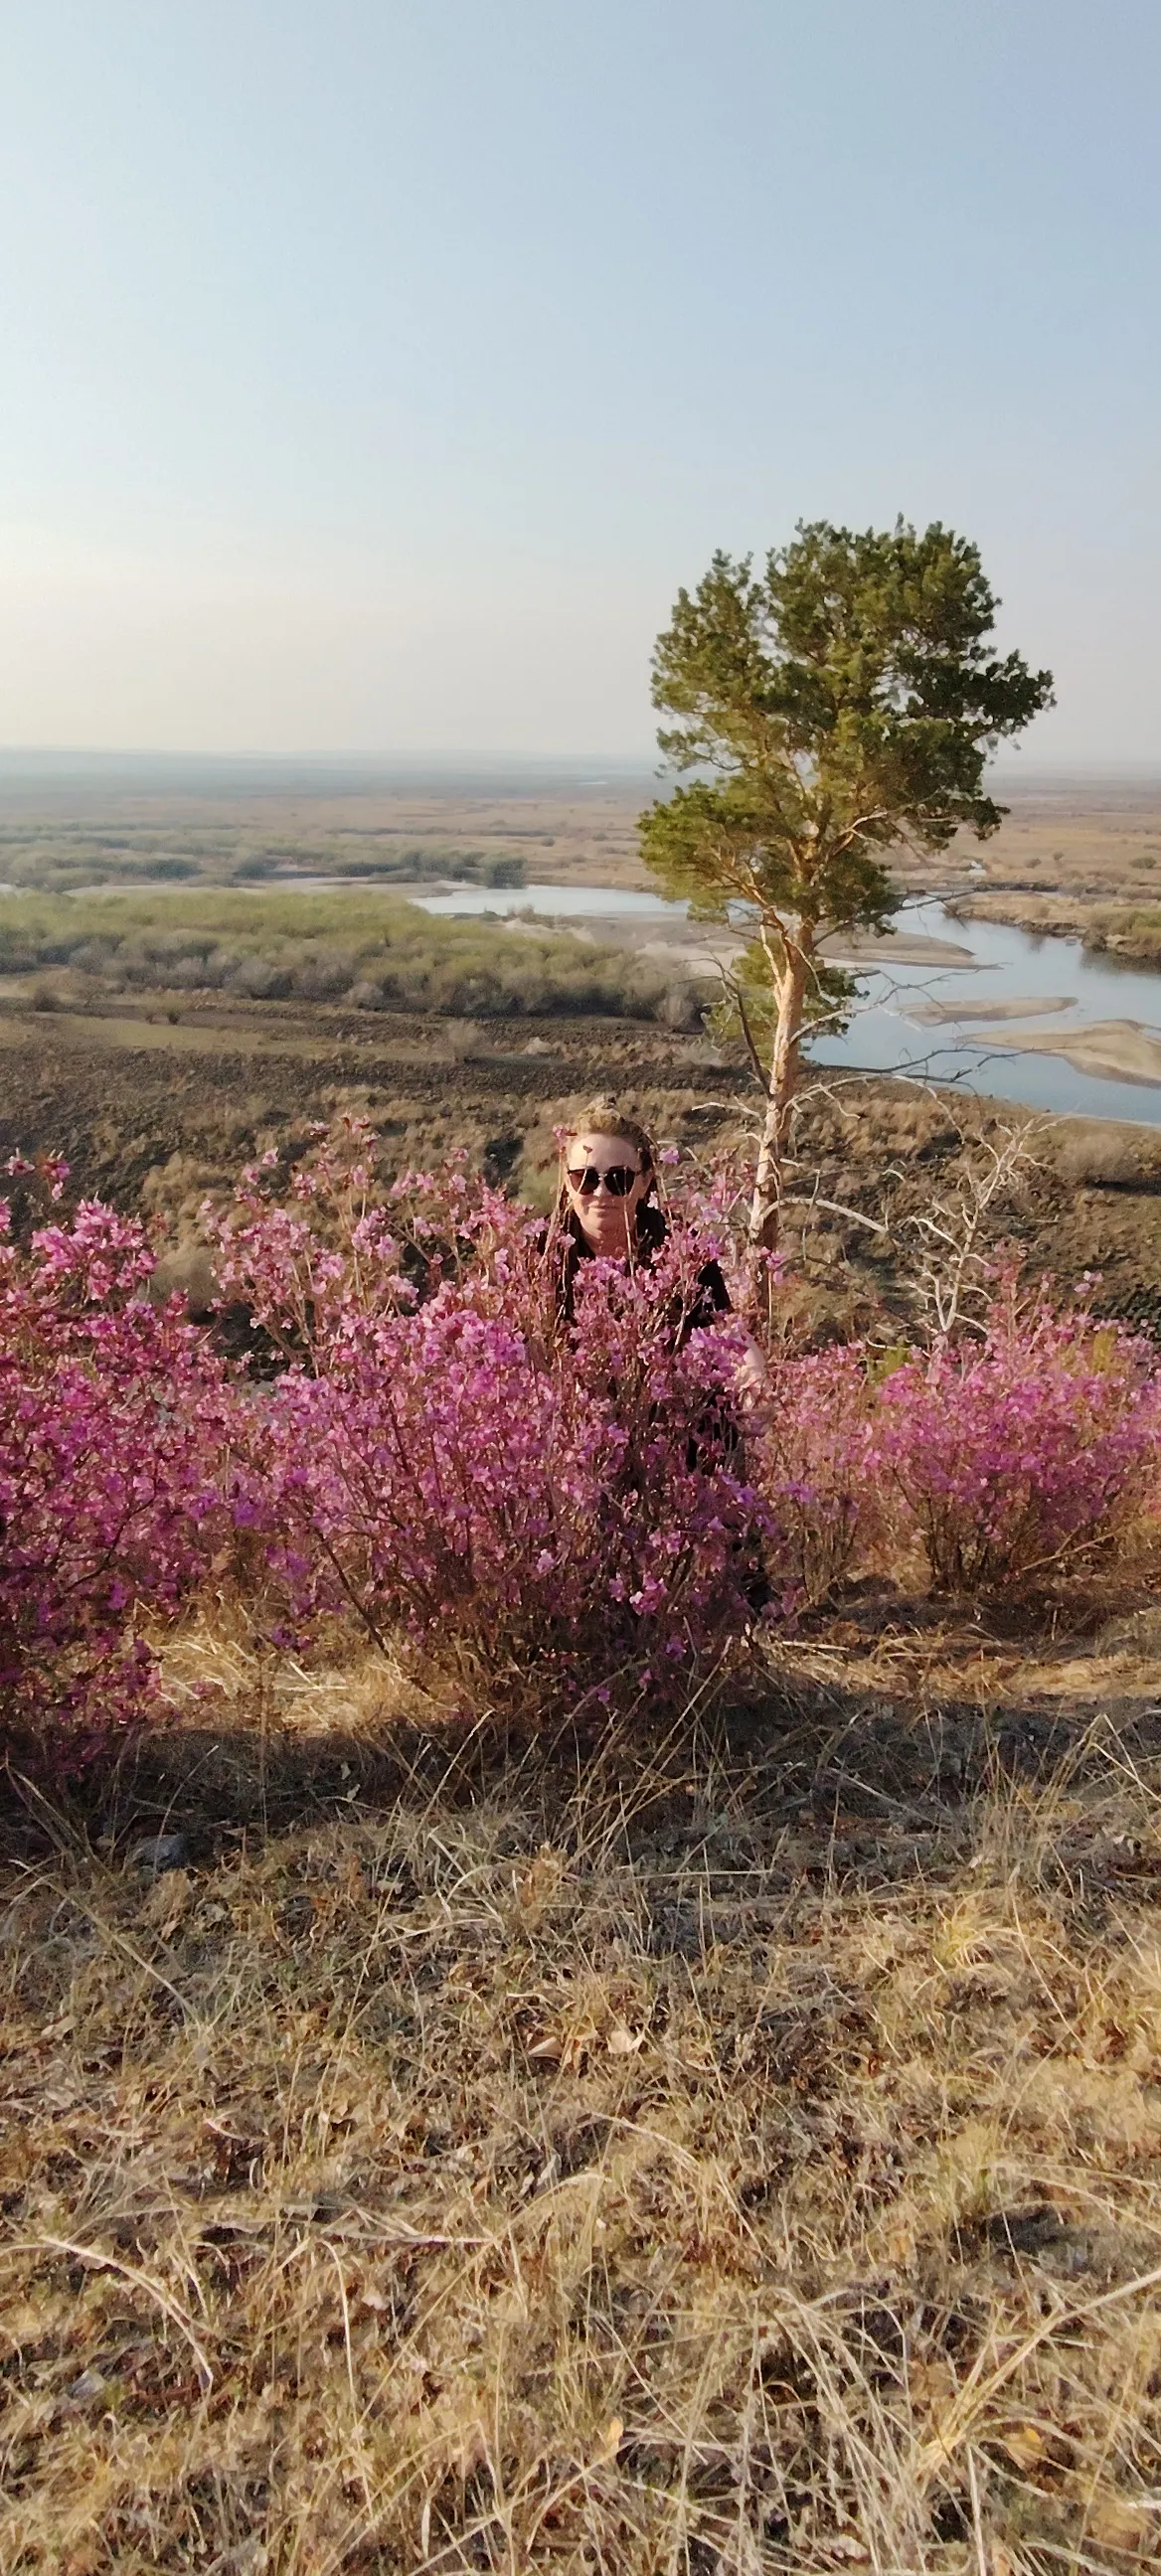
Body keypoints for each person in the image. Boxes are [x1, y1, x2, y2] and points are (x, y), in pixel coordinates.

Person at [546, 1101, 767, 1399]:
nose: (601, 1193)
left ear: (645, 1182)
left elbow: (727, 1333)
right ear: (566, 1181)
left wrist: (754, 1385)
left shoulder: (680, 1248)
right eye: (583, 1178)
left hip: (667, 1414)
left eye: (619, 1179)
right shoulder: (541, 1251)